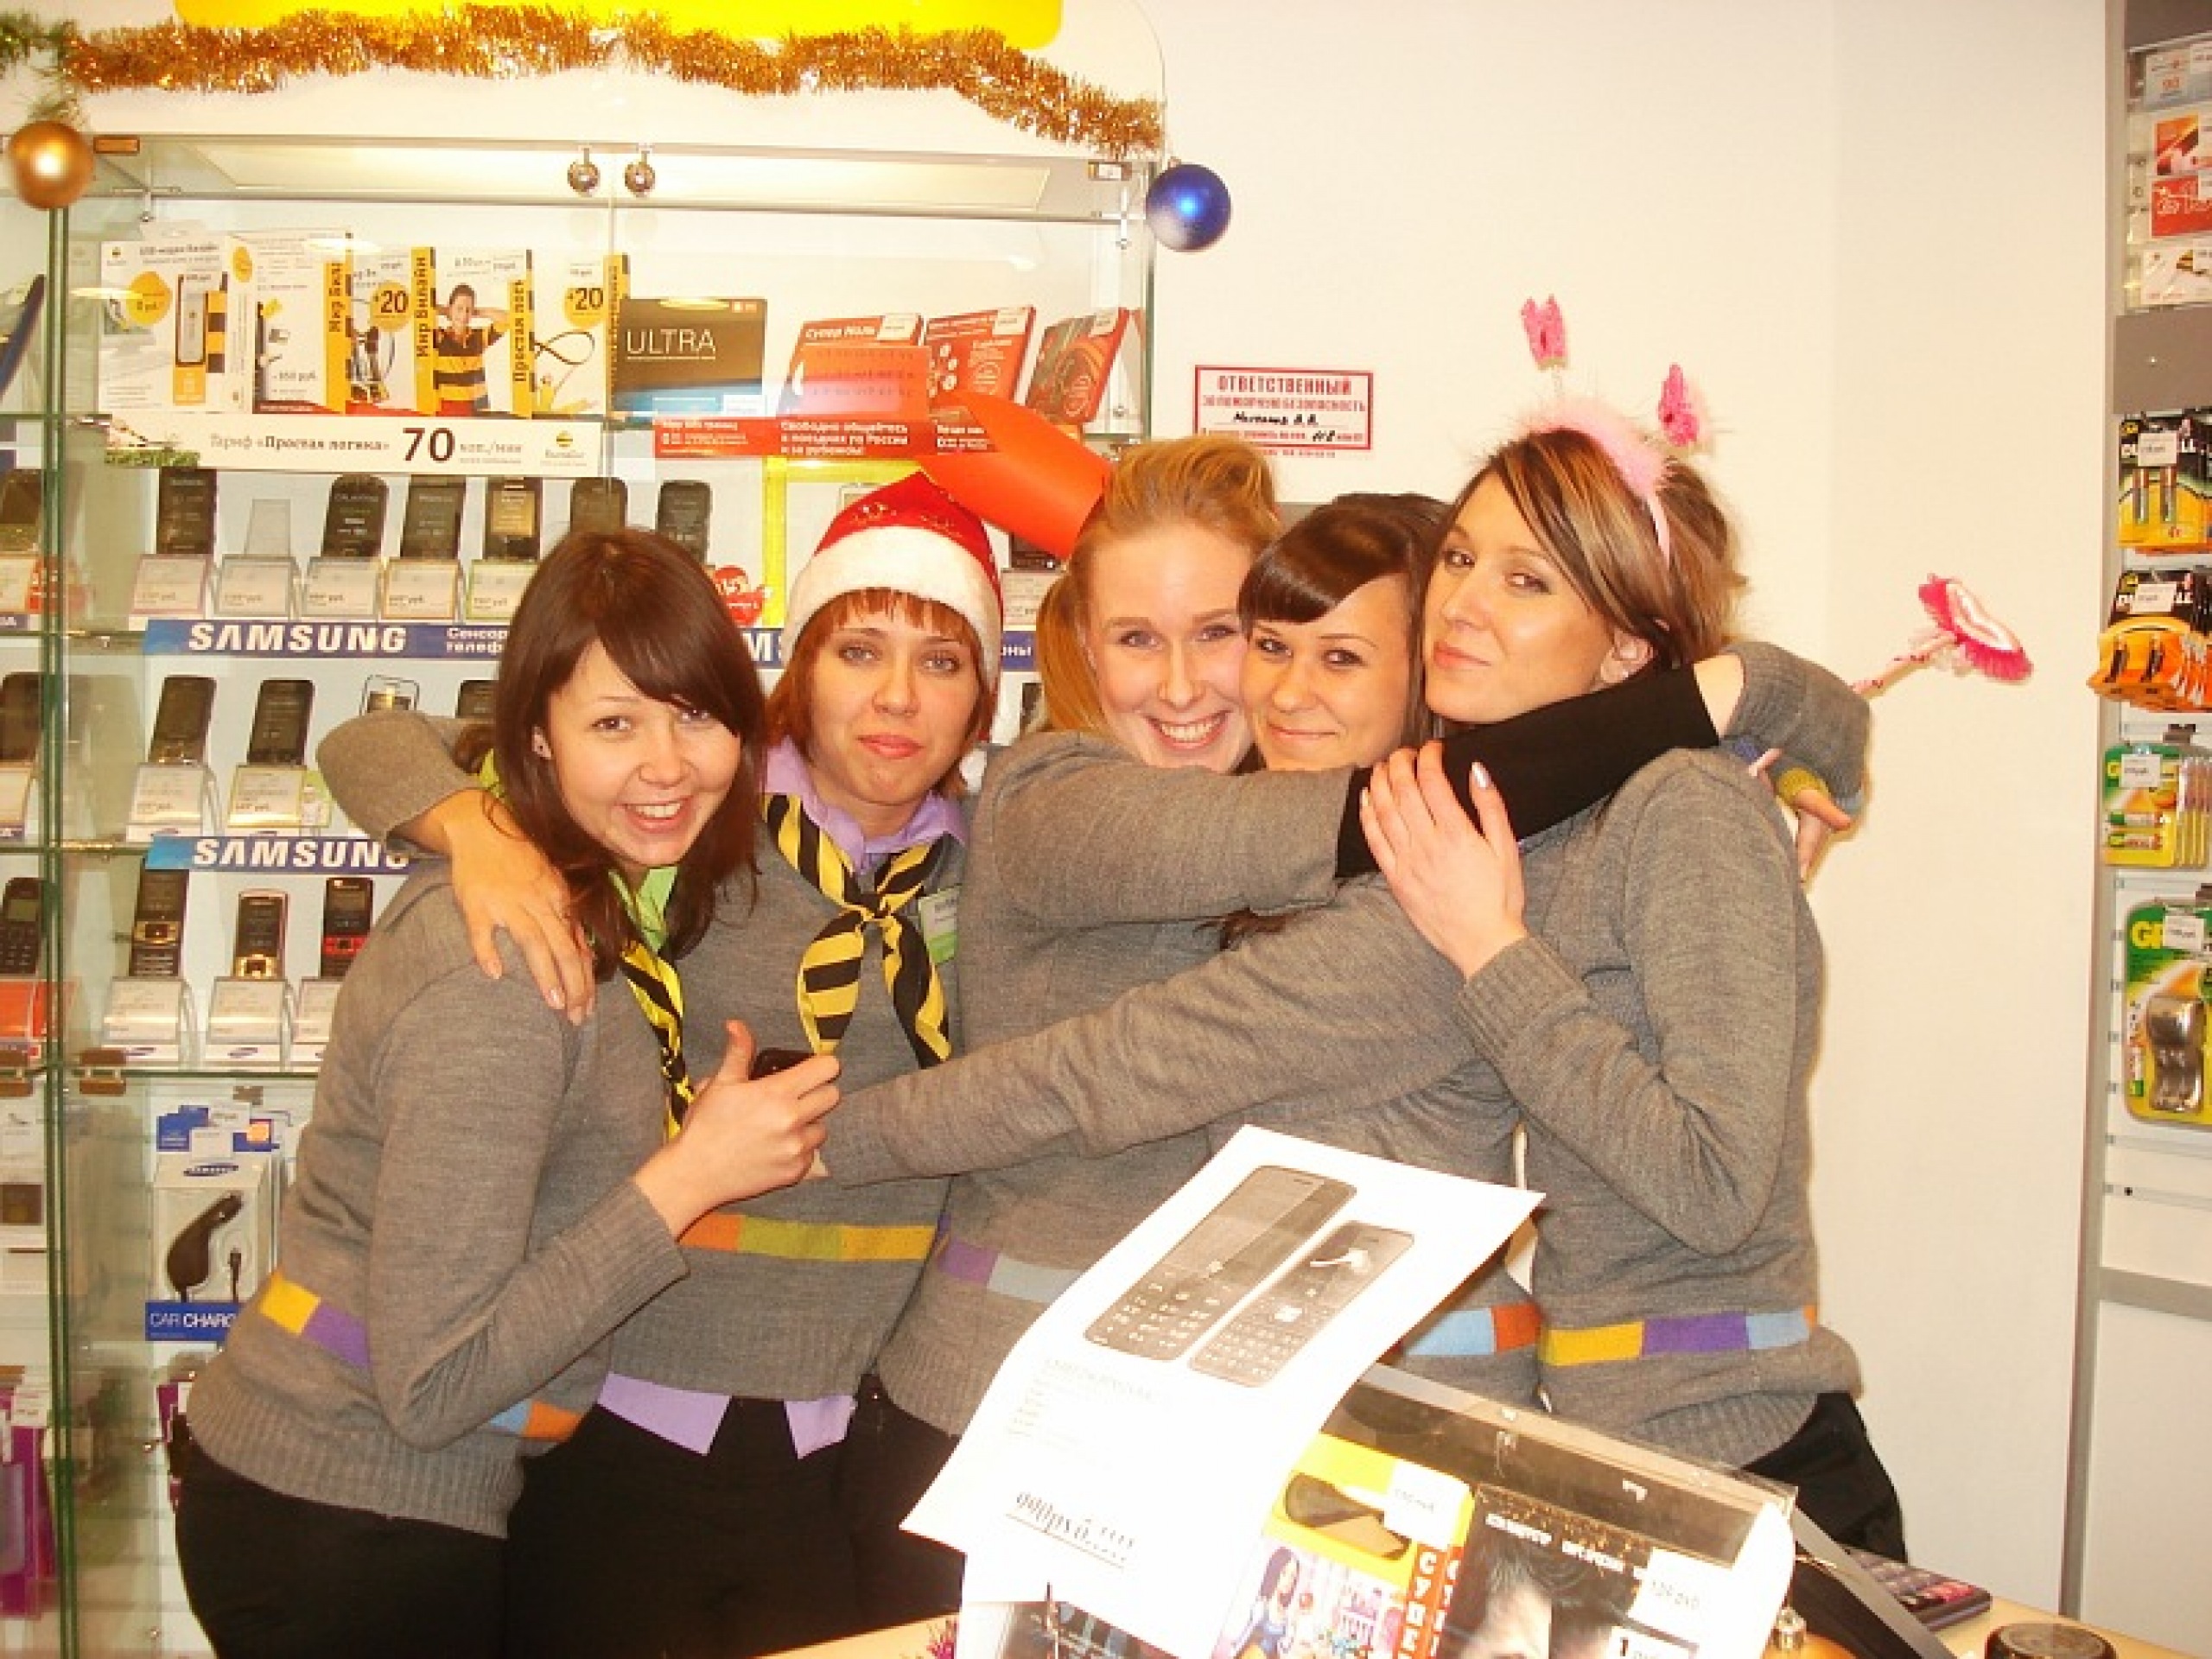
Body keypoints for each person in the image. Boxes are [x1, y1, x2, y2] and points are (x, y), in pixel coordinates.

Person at [823, 436, 1869, 1618]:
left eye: (1228, 633)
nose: (1191, 686)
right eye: (1138, 639)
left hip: (1299, 1456)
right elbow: (1121, 1059)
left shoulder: (1446, 883)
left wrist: (1742, 719)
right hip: (998, 1423)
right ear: (1077, 644)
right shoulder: (1055, 794)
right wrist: (1745, 693)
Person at [315, 472, 1001, 1653]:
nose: (897, 697)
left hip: (857, 1451)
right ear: (797, 672)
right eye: (858, 651)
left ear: (983, 697)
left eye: (942, 662)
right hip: (619, 1423)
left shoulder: (1002, 874)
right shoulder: (689, 818)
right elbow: (368, 741)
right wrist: (474, 827)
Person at [173, 528, 838, 1659]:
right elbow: (435, 1384)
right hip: (347, 1516)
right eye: (615, 724)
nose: (667, 766)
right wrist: (688, 1178)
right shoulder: (509, 969)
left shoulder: (572, 884)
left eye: (696, 716)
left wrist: (467, 818)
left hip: (371, 1498)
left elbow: (395, 743)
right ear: (538, 735)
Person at [1359, 410, 1906, 1554]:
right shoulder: (1558, 816)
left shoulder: (1685, 807)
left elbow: (1715, 1186)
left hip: (1746, 1463)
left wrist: (1491, 953)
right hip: (1622, 1450)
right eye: (1459, 558)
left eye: (1526, 581)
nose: (1460, 603)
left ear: (1624, 653)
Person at [435, 283, 509, 416]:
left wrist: (478, 312)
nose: (464, 315)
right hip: (448, 409)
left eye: (468, 310)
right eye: (459, 309)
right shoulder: (439, 337)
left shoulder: (479, 337)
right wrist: (445, 311)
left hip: (478, 409)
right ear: (450, 309)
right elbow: (421, 311)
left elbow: (508, 319)